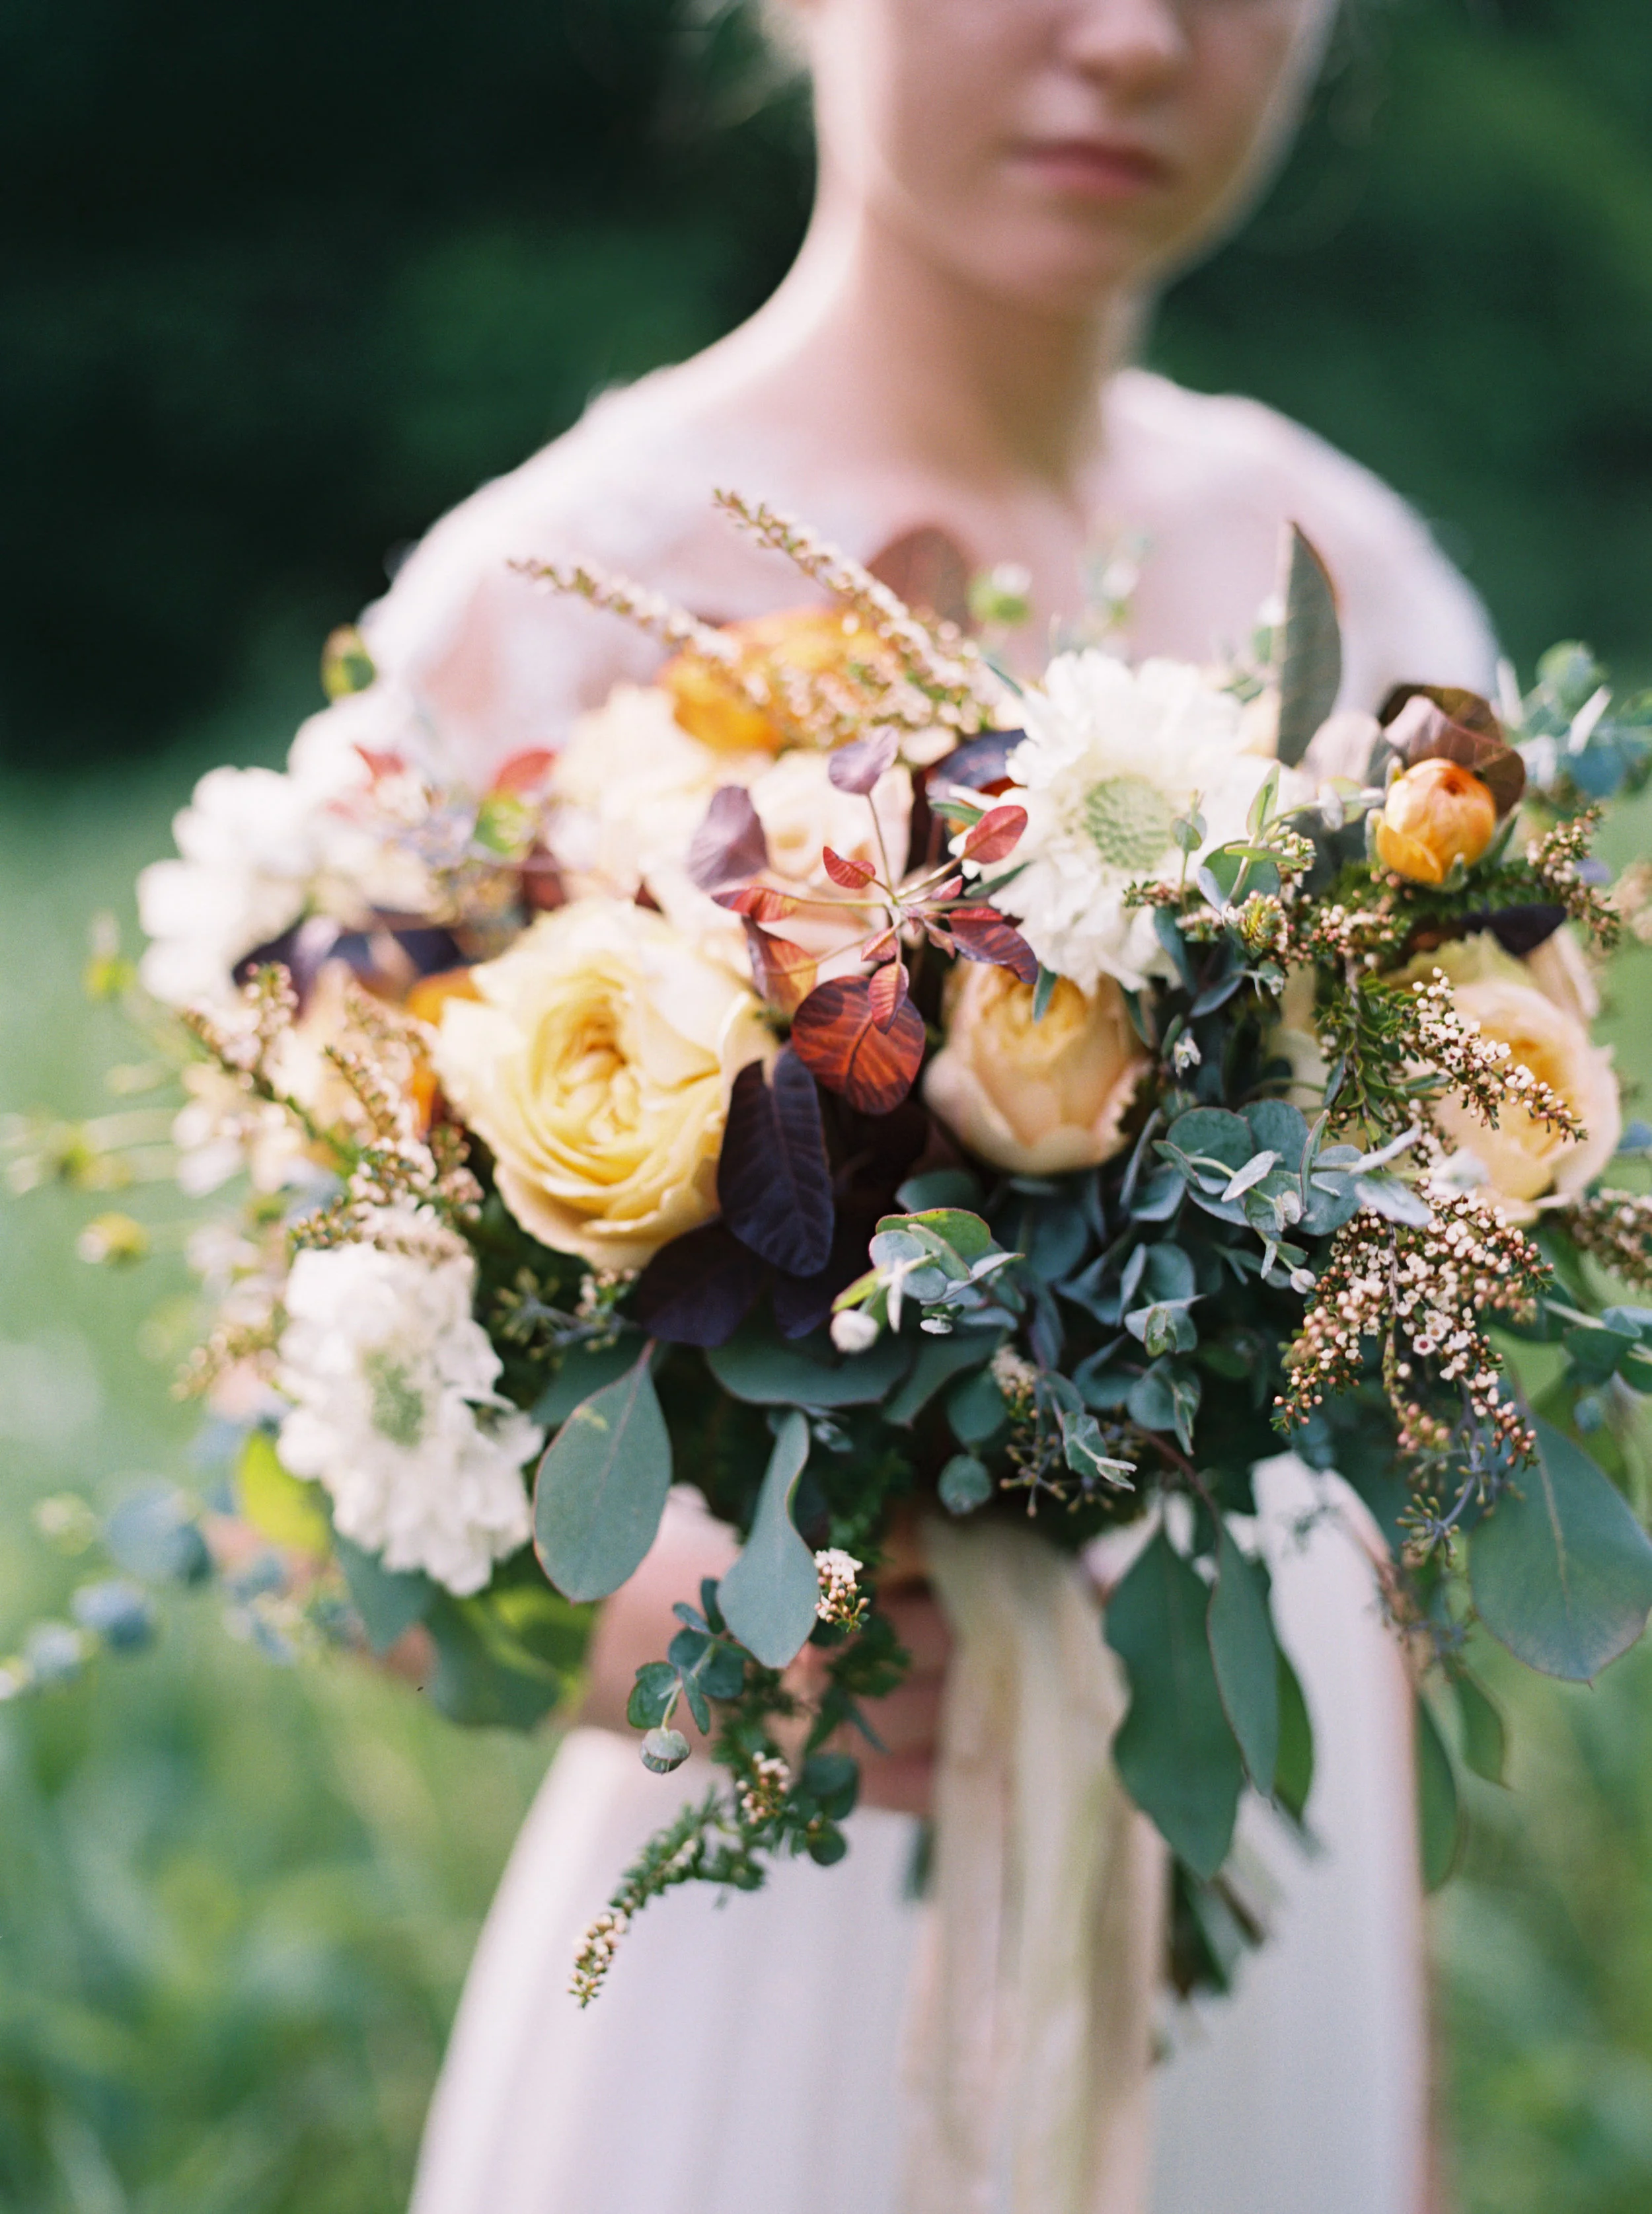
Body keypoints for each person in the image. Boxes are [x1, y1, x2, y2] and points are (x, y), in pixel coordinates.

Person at [326, 2, 1495, 2206]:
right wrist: (653, 1635)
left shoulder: (1350, 588)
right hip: (781, 1918)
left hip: (1257, 1868)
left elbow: (1408, 1456)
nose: (1132, 40)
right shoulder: (545, 606)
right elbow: (300, 1465)